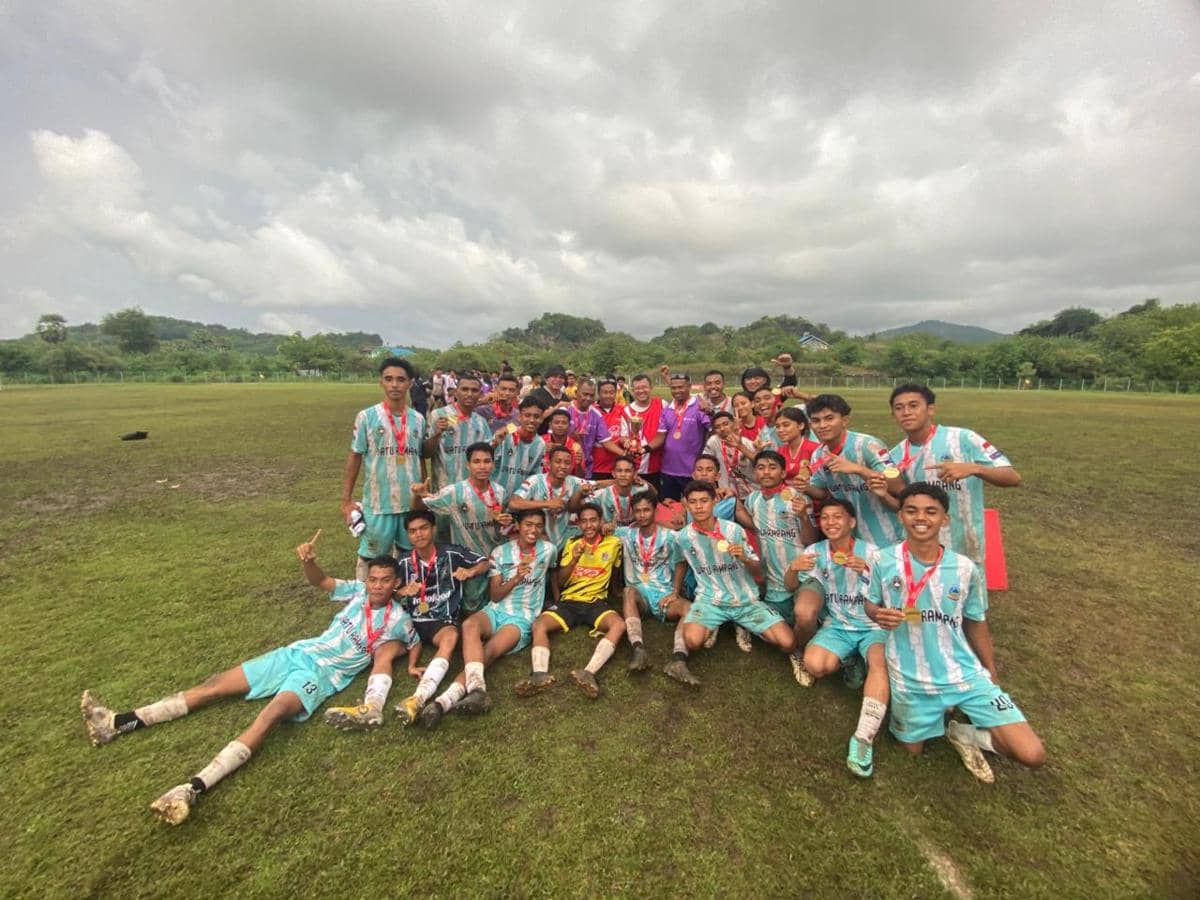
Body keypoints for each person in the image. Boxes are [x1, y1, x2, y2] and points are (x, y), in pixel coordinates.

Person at [81, 542, 416, 825]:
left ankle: (192, 788)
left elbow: (412, 642)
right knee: (213, 685)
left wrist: (406, 659)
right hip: (295, 653)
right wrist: (309, 562)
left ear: (395, 582)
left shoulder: (399, 619)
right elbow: (321, 581)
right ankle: (116, 723)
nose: (377, 586)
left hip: (319, 677)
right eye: (373, 579)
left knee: (270, 716)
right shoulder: (356, 592)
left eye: (385, 581)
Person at [865, 483, 1045, 782]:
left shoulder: (964, 569)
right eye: (911, 510)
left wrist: (991, 671)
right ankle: (940, 719)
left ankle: (963, 732)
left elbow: (975, 621)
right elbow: (871, 605)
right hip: (910, 676)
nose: (920, 518)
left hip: (962, 673)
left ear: (944, 519)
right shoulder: (883, 560)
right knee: (910, 750)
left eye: (930, 512)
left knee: (1031, 753)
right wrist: (878, 614)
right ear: (900, 516)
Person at [418, 509, 559, 728]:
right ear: (518, 526)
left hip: (521, 618)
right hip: (496, 609)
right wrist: (516, 578)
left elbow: (553, 574)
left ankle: (443, 701)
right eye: (528, 524)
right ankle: (478, 690)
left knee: (489, 651)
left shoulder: (548, 550)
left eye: (539, 526)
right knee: (469, 624)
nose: (533, 530)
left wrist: (557, 601)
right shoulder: (501, 552)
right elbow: (495, 595)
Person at [791, 499, 888, 777]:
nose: (831, 523)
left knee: (879, 666)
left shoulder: (873, 553)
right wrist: (794, 569)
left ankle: (863, 737)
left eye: (838, 517)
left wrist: (869, 573)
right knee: (816, 665)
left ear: (852, 522)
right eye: (825, 518)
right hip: (838, 625)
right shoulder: (816, 551)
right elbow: (795, 586)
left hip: (872, 625)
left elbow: (895, 594)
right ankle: (848, 660)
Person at [887, 383, 1020, 571]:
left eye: (913, 405)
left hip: (965, 544)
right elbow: (899, 502)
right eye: (899, 408)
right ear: (893, 415)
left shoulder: (963, 439)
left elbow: (1012, 477)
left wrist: (975, 468)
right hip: (922, 548)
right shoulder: (895, 456)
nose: (906, 412)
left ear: (930, 409)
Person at [672, 481, 797, 659]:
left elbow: (758, 572)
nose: (698, 507)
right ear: (685, 503)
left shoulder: (734, 530)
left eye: (704, 501)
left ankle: (745, 624)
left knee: (788, 643)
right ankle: (716, 623)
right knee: (692, 641)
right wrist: (675, 591)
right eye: (693, 502)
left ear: (715, 501)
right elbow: (680, 562)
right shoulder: (682, 537)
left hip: (745, 600)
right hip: (710, 600)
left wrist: (744, 558)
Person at [514, 504, 626, 698]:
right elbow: (561, 580)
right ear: (579, 524)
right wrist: (574, 560)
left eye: (593, 520)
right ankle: (539, 674)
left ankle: (589, 673)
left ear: (601, 521)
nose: (589, 525)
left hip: (595, 602)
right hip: (570, 602)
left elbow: (615, 570)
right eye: (584, 521)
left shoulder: (614, 543)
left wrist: (616, 590)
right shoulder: (572, 543)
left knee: (618, 625)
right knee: (539, 625)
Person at [341, 357, 427, 578]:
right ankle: (364, 602)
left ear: (409, 383)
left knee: (409, 558)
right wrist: (346, 501)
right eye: (389, 379)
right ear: (381, 382)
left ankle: (404, 602)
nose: (395, 385)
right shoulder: (367, 417)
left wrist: (424, 498)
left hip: (410, 505)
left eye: (400, 380)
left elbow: (419, 458)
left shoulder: (418, 419)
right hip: (379, 505)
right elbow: (355, 456)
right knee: (372, 560)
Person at [734, 450, 818, 669]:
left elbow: (810, 540)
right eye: (760, 467)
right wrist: (731, 501)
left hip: (802, 577)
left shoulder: (798, 498)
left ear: (783, 472)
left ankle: (798, 649)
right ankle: (744, 623)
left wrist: (802, 517)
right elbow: (752, 524)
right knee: (779, 628)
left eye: (772, 467)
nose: (766, 472)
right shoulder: (753, 499)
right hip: (773, 583)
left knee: (806, 619)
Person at [411, 442, 512, 614]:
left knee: (499, 601)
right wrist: (418, 495)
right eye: (477, 461)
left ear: (493, 464)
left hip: (495, 557)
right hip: (468, 559)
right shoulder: (454, 492)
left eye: (487, 461)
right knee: (471, 606)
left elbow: (506, 529)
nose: (482, 466)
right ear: (468, 465)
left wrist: (507, 524)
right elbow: (419, 510)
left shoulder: (500, 491)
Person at [615, 494, 700, 684]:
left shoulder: (671, 537)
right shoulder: (625, 534)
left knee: (689, 608)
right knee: (629, 592)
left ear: (655, 511)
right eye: (638, 511)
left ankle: (678, 660)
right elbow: (603, 529)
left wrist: (675, 592)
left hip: (663, 594)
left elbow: (680, 563)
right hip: (640, 597)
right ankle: (638, 649)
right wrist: (605, 526)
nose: (642, 515)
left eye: (646, 510)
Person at [801, 394, 904, 548]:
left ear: (844, 420)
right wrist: (804, 486)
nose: (822, 425)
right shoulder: (818, 454)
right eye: (816, 421)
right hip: (850, 541)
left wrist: (858, 469)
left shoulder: (868, 444)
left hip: (885, 539)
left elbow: (898, 485)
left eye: (829, 418)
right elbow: (822, 492)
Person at [509, 445, 594, 549]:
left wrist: (616, 480)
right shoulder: (535, 481)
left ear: (572, 466)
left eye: (567, 463)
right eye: (558, 461)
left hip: (563, 539)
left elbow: (598, 484)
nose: (562, 466)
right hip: (538, 537)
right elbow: (513, 503)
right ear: (549, 464)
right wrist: (548, 503)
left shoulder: (574, 482)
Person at [423, 373, 493, 491]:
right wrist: (437, 434)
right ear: (455, 392)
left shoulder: (481, 422)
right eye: (464, 389)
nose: (469, 394)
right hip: (444, 490)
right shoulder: (439, 415)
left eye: (474, 390)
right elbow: (426, 454)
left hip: (473, 491)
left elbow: (488, 456)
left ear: (480, 394)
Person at [649, 372, 712, 501]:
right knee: (669, 508)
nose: (677, 391)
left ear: (689, 386)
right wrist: (644, 449)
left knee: (693, 507)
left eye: (681, 387)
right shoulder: (667, 410)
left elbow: (712, 430)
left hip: (692, 471)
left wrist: (711, 412)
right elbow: (660, 436)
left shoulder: (699, 406)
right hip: (668, 470)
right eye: (673, 388)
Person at [491, 397, 546, 497]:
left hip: (518, 500)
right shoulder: (507, 432)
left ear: (542, 419)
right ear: (520, 417)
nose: (532, 420)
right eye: (527, 415)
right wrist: (495, 443)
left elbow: (535, 475)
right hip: (494, 496)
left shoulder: (540, 444)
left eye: (536, 416)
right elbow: (487, 457)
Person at [625, 373, 666, 492]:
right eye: (637, 388)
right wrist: (626, 442)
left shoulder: (662, 404)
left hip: (657, 466)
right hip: (634, 467)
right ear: (632, 390)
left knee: (655, 501)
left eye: (644, 387)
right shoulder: (626, 410)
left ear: (651, 388)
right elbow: (623, 436)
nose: (641, 391)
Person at [703, 410, 758, 499]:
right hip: (728, 494)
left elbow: (758, 463)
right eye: (717, 427)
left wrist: (741, 447)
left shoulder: (746, 443)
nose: (722, 429)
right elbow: (705, 462)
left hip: (753, 492)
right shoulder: (714, 441)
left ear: (734, 424)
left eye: (725, 424)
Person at [589, 379, 633, 479]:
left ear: (616, 393)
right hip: (596, 467)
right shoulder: (591, 410)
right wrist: (625, 454)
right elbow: (603, 442)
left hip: (617, 468)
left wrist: (626, 440)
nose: (608, 395)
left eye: (611, 392)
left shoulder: (622, 410)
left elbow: (624, 435)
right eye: (605, 392)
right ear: (599, 393)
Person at [591, 456, 651, 527]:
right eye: (619, 471)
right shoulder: (604, 494)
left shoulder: (642, 490)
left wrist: (643, 481)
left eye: (627, 471)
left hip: (636, 533)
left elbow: (655, 494)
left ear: (635, 474)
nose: (623, 475)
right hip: (612, 534)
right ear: (613, 473)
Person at [542, 408, 587, 477]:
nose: (560, 425)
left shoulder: (575, 447)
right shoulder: (541, 442)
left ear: (569, 426)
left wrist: (578, 465)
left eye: (564, 423)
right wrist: (541, 451)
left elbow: (581, 477)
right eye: (557, 422)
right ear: (550, 425)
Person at [529, 364, 569, 431]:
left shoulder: (565, 398)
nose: (558, 380)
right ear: (546, 379)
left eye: (561, 377)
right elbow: (533, 420)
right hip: (538, 437)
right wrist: (555, 408)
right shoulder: (536, 395)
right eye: (554, 376)